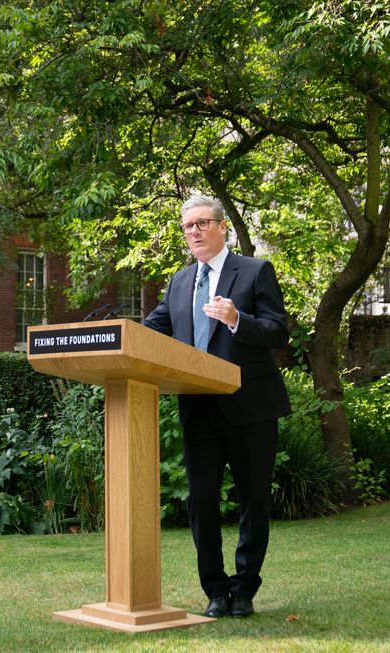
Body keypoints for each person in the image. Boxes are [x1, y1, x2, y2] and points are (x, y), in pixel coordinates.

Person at [144, 194, 291, 618]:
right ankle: (215, 589)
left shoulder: (254, 271)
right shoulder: (178, 282)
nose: (194, 231)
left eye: (202, 223)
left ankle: (244, 589)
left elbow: (278, 332)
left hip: (251, 409)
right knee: (201, 500)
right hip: (199, 410)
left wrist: (236, 319)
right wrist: (114, 335)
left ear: (222, 227)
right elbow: (152, 330)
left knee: (253, 501)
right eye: (188, 226)